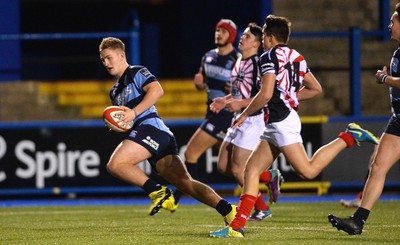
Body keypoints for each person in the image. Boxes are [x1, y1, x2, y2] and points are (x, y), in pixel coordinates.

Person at [209, 14, 380, 238]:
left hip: (280, 121)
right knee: (250, 171)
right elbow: (315, 88)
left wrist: (245, 114)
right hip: (278, 120)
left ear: (269, 37)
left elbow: (266, 93)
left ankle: (348, 136)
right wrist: (290, 96)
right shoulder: (296, 56)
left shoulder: (268, 56)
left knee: (307, 171)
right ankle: (236, 227)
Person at [99, 37, 237, 224]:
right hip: (150, 134)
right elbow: (128, 120)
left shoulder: (136, 72)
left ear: (121, 55)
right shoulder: (114, 92)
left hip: (153, 129)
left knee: (115, 164)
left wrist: (133, 112)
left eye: (109, 58)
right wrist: (119, 124)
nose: (106, 63)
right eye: (103, 60)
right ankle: (228, 210)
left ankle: (158, 191)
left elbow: (157, 90)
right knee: (186, 183)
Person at [328, 3, 400, 235]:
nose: (389, 25)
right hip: (398, 119)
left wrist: (384, 79)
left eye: (393, 21)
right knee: (377, 165)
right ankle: (358, 221)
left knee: (377, 165)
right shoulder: (398, 52)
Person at [210, 22, 282, 221]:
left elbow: (263, 95)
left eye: (248, 37)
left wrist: (240, 103)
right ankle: (269, 176)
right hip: (238, 118)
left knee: (238, 169)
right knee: (223, 166)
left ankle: (262, 208)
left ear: (257, 44)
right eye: (243, 35)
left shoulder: (259, 64)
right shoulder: (240, 60)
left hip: (253, 120)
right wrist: (224, 101)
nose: (242, 38)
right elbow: (237, 92)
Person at [173, 19, 241, 204]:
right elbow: (202, 83)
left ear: (232, 36)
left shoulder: (238, 60)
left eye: (223, 31)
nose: (218, 33)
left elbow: (248, 89)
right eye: (217, 30)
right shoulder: (208, 56)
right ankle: (268, 177)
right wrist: (199, 84)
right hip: (211, 111)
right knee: (231, 166)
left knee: (191, 153)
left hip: (225, 114)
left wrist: (235, 91)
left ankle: (178, 197)